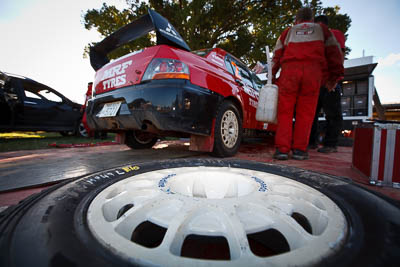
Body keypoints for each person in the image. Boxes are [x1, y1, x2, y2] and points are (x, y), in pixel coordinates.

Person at [271, 7, 343, 160]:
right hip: (313, 73)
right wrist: (334, 78)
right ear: (311, 19)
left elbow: (276, 56)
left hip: (290, 72)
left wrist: (271, 77)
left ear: (296, 20)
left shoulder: (287, 32)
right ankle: (299, 150)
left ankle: (282, 149)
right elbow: (335, 54)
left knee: (285, 112)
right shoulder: (322, 30)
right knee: (306, 113)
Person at [309, 15, 346, 153]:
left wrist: (335, 79)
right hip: (315, 81)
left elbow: (340, 54)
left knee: (333, 113)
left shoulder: (335, 34)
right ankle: (311, 142)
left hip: (330, 80)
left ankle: (331, 144)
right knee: (311, 114)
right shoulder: (314, 38)